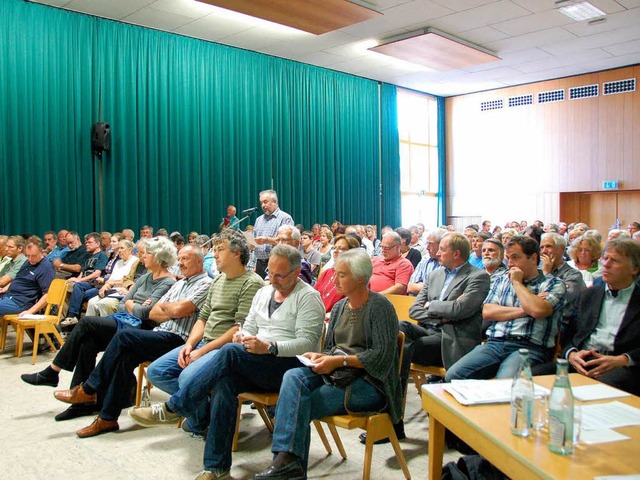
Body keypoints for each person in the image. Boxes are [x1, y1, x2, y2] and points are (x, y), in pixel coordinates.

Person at [128, 245, 325, 480]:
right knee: (225, 383)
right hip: (258, 360)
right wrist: (243, 335)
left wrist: (270, 347)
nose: (272, 280)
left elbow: (308, 343)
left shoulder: (309, 297)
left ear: (295, 273)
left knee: (230, 353)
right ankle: (217, 468)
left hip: (289, 366)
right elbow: (250, 325)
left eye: (279, 275)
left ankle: (175, 407)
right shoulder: (264, 293)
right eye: (270, 273)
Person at [253, 249, 402, 480]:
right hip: (339, 373)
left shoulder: (380, 307)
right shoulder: (341, 307)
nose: (334, 279)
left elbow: (381, 357)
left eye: (342, 275)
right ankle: (288, 465)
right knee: (293, 376)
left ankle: (287, 466)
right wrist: (319, 356)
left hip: (371, 383)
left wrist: (339, 360)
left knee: (301, 404)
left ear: (361, 278)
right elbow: (332, 347)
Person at [35, 245, 213, 437]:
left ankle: (88, 388)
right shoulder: (179, 284)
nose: (180, 263)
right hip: (159, 331)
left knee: (122, 336)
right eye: (179, 259)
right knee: (120, 356)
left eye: (185, 259)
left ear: (199, 260)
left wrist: (167, 309)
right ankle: (107, 419)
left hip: (178, 340)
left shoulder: (205, 283)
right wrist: (168, 309)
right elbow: (154, 312)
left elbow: (174, 311)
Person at [19, 237, 176, 421]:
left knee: (86, 323)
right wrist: (135, 305)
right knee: (88, 342)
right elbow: (122, 304)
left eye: (147, 253)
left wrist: (134, 304)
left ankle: (53, 372)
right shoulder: (145, 278)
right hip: (123, 320)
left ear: (159, 257)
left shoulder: (168, 282)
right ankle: (80, 403)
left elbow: (145, 314)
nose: (142, 257)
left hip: (139, 330)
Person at [144, 229, 264, 435]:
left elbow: (240, 327)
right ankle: (204, 411)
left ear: (236, 253)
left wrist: (201, 351)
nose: (214, 254)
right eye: (215, 250)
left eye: (220, 250)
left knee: (186, 378)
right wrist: (190, 345)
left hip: (226, 348)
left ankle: (197, 421)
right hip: (203, 343)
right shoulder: (218, 280)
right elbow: (203, 317)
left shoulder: (252, 283)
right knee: (157, 372)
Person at [446, 236, 566, 380]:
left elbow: (538, 311)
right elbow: (488, 312)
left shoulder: (553, 284)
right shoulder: (502, 280)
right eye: (508, 258)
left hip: (529, 347)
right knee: (453, 375)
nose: (510, 264)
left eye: (515, 258)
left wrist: (517, 283)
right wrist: (525, 310)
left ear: (533, 258)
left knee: (505, 384)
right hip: (495, 343)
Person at [403, 232, 490, 372]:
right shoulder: (435, 275)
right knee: (401, 327)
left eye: (442, 249)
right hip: (429, 329)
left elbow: (459, 309)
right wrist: (442, 316)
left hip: (453, 338)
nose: (438, 253)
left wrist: (431, 305)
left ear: (456, 254)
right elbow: (414, 310)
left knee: (404, 347)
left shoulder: (478, 277)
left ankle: (395, 390)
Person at [563, 239, 640, 395]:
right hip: (582, 359)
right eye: (605, 258)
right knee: (534, 374)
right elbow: (568, 333)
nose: (606, 264)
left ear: (635, 269)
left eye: (615, 261)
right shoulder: (589, 295)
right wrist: (571, 354)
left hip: (619, 365)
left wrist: (623, 359)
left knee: (599, 388)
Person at [85, 240, 143, 317]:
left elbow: (129, 280)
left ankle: (106, 327)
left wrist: (112, 283)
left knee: (103, 304)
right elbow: (110, 280)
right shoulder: (118, 262)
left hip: (122, 291)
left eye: (122, 248)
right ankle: (90, 327)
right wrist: (105, 286)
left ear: (130, 249)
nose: (119, 251)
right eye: (118, 248)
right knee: (92, 302)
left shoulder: (135, 261)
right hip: (111, 290)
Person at [0, 236, 54, 316]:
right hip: (9, 297)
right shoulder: (27, 262)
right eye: (28, 255)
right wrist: (3, 289)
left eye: (33, 256)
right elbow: (18, 279)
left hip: (20, 303)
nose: (30, 259)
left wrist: (30, 311)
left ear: (42, 252)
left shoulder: (46, 267)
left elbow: (48, 294)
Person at [62, 232, 109, 324]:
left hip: (94, 283)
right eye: (86, 242)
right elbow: (82, 273)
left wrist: (78, 280)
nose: (86, 244)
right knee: (66, 286)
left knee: (78, 288)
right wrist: (74, 280)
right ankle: (68, 321)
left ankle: (72, 315)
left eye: (90, 242)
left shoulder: (101, 255)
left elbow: (96, 274)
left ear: (97, 244)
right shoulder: (87, 256)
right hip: (84, 283)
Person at [253, 189, 294, 279]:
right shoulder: (258, 220)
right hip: (259, 263)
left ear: (275, 201)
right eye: (261, 203)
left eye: (265, 202)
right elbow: (255, 240)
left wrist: (266, 240)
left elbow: (286, 242)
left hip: (277, 261)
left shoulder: (285, 218)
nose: (263, 205)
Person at [314, 234, 361, 312]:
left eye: (340, 248)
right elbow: (313, 295)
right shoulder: (327, 273)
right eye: (334, 248)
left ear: (352, 253)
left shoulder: (355, 279)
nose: (335, 251)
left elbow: (353, 309)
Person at [407, 228, 447, 295]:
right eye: (427, 243)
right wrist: (432, 287)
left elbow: (444, 291)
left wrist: (421, 286)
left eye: (430, 244)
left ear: (441, 245)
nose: (427, 248)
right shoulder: (425, 259)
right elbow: (410, 287)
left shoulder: (449, 262)